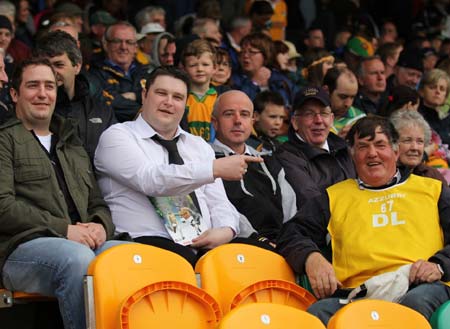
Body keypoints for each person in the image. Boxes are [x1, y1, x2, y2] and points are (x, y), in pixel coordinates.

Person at [277, 115, 450, 325]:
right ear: (352, 155)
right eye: (362, 146)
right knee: (318, 313)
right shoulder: (333, 197)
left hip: (419, 286)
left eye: (380, 145)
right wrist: (311, 257)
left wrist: (439, 265)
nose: (372, 153)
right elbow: (291, 233)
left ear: (395, 152)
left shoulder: (432, 189)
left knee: (414, 305)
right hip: (358, 295)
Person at [95, 67, 262, 267]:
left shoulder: (198, 145)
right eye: (161, 93)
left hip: (202, 246)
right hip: (140, 244)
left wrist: (225, 230)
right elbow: (151, 180)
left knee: (260, 258)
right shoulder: (117, 136)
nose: (169, 102)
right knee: (193, 265)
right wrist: (212, 169)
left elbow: (219, 203)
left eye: (177, 97)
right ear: (144, 95)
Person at [0, 58, 123, 329]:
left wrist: (101, 226)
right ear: (14, 93)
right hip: (20, 250)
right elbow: (3, 207)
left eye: (49, 86)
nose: (43, 93)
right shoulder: (4, 139)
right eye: (33, 86)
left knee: (130, 257)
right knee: (75, 259)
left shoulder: (71, 141)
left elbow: (97, 201)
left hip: (82, 241)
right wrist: (64, 229)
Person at [211, 90, 296, 245]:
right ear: (214, 122)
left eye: (244, 114)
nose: (237, 121)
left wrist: (291, 243)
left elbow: (292, 213)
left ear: (252, 121)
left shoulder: (269, 162)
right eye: (229, 114)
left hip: (281, 246)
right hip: (234, 249)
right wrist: (259, 241)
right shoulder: (204, 161)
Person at [33, 30, 116, 163]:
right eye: (46, 65)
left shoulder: (101, 111)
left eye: (59, 65)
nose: (52, 72)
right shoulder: (31, 111)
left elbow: (116, 159)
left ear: (77, 66)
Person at [276, 86, 355, 209]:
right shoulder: (286, 156)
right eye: (309, 114)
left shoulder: (346, 148)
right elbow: (313, 204)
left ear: (331, 119)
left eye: (324, 113)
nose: (318, 120)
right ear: (295, 122)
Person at [88, 21, 147, 122]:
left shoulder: (146, 71)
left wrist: (135, 96)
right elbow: (109, 103)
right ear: (106, 45)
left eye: (129, 42)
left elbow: (157, 99)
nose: (123, 47)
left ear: (136, 47)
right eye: (117, 41)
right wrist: (145, 111)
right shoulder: (94, 73)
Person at [390, 109, 447, 185]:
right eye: (407, 140)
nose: (415, 147)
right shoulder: (381, 177)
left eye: (420, 141)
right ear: (392, 142)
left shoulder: (433, 177)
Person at [181, 39, 217, 142]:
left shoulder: (220, 99)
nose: (200, 69)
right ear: (184, 69)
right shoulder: (181, 98)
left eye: (205, 64)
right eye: (193, 65)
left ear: (214, 67)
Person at [323, 67, 366, 138]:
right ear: (326, 91)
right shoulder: (314, 119)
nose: (348, 104)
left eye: (352, 97)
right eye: (343, 97)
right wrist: (337, 142)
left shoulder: (361, 119)